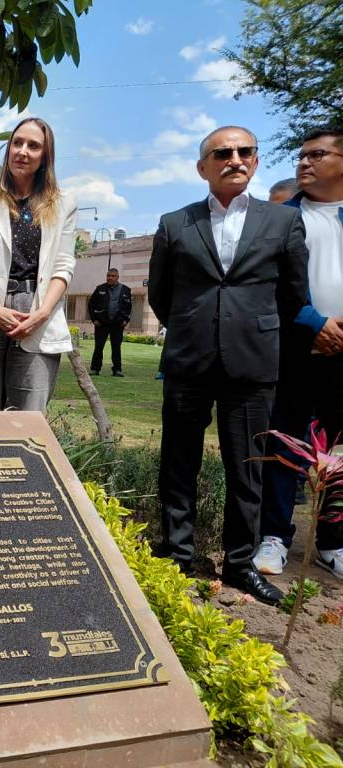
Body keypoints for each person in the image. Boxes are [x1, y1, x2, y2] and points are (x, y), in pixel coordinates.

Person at [148, 125, 308, 605]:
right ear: (203, 168)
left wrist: (249, 329)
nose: (234, 159)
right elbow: (160, 294)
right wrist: (195, 325)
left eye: (244, 151)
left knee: (248, 469)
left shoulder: (281, 222)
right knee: (178, 463)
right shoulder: (176, 222)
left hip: (252, 365)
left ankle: (240, 565)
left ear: (255, 161)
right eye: (222, 153)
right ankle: (176, 557)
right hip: (188, 361)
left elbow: (292, 294)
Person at [255, 126, 343, 578]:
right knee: (286, 443)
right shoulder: (279, 218)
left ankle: (332, 542)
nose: (305, 163)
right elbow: (269, 286)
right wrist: (315, 323)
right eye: (302, 156)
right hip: (295, 349)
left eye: (318, 155)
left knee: (338, 453)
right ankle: (273, 536)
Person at [0, 116, 77, 413]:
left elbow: (64, 265)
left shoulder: (63, 204)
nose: (22, 151)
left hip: (37, 313)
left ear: (46, 156)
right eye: (17, 143)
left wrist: (43, 313)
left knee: (29, 419)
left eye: (33, 146)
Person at [88, 267, 132, 376]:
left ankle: (117, 370)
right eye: (108, 276)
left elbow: (129, 307)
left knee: (116, 347)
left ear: (117, 277)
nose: (110, 278)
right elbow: (90, 305)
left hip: (117, 324)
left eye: (112, 276)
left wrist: (126, 319)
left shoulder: (126, 290)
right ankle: (95, 369)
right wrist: (94, 319)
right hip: (101, 323)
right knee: (99, 346)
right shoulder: (99, 289)